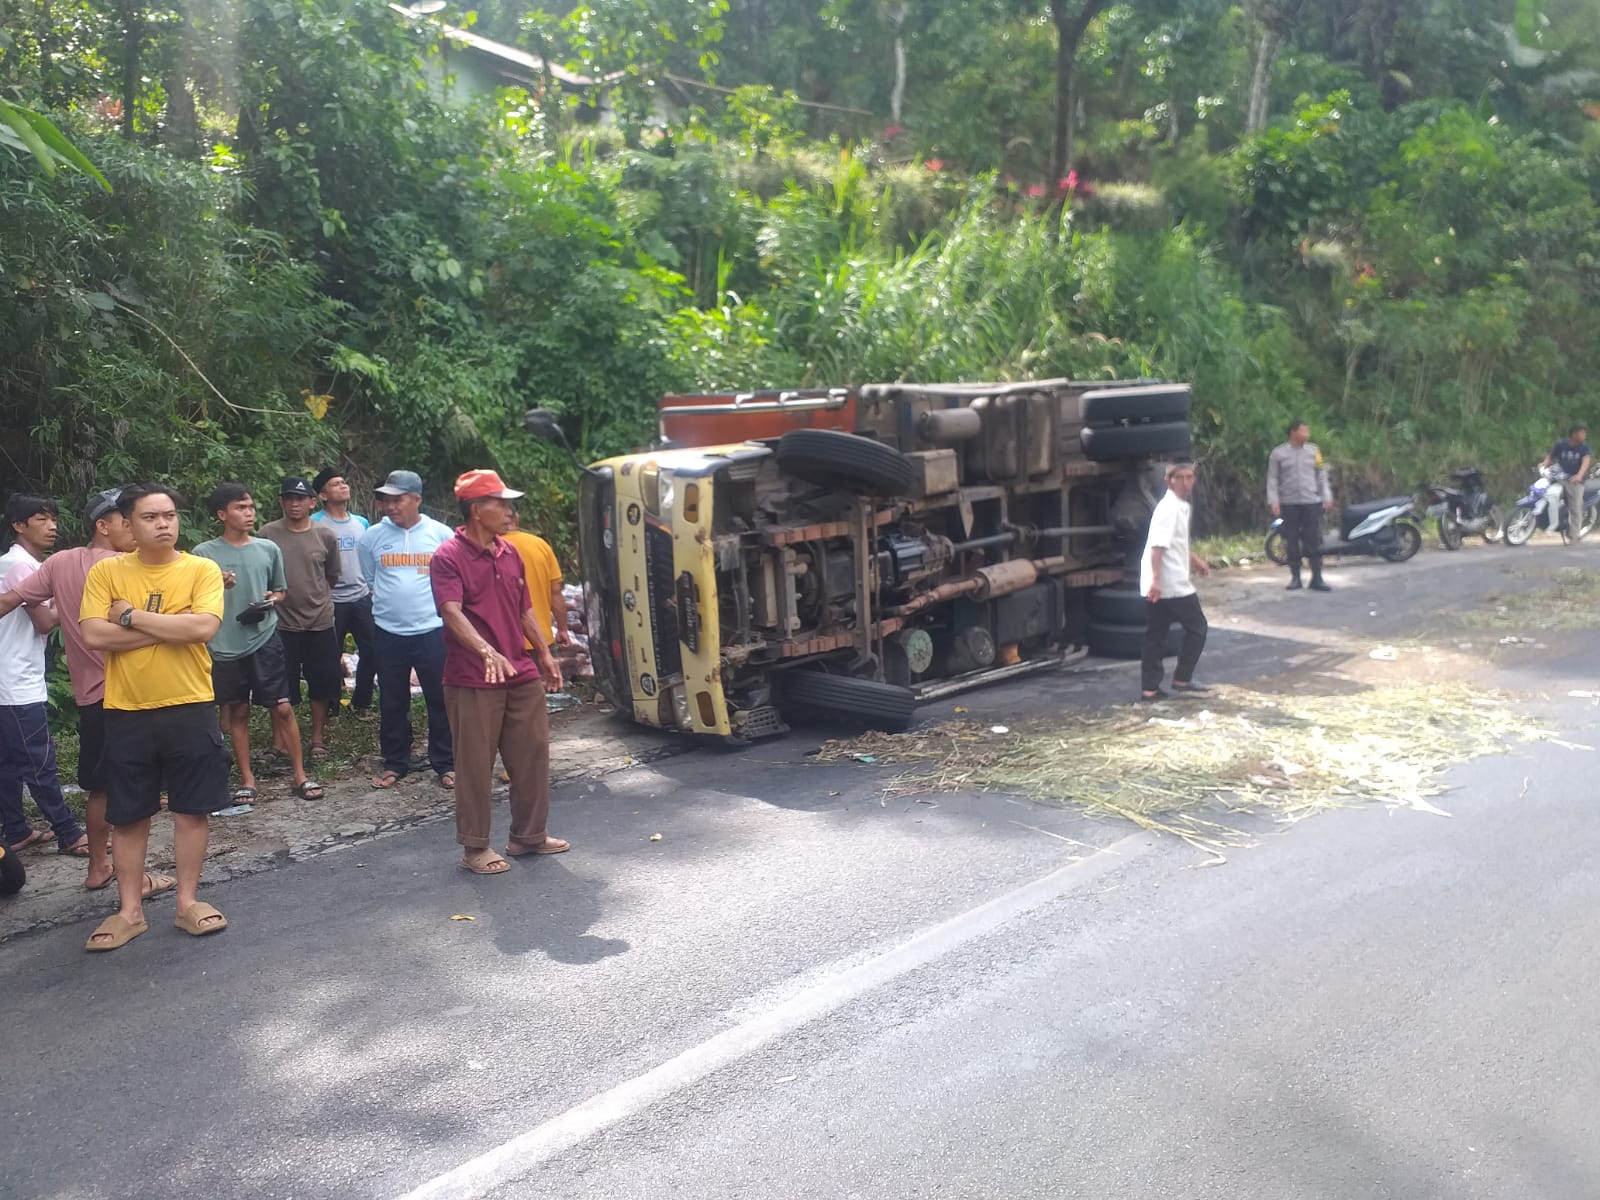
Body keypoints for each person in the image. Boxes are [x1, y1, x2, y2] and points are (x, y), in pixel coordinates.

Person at [79, 482, 231, 952]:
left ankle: (187, 903)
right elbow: (93, 635)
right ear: (127, 524)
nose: (164, 523)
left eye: (169, 515)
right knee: (128, 815)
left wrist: (129, 617)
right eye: (151, 517)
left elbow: (204, 627)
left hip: (189, 705)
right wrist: (171, 627)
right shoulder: (107, 573)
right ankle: (130, 911)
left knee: (192, 808)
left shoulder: (200, 569)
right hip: (126, 711)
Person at [0, 488, 173, 896]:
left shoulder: (60, 563)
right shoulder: (131, 566)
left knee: (101, 786)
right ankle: (136, 880)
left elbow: (8, 601)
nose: (135, 527)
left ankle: (99, 867)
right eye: (126, 520)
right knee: (137, 791)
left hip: (93, 697)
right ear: (104, 525)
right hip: (135, 693)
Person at [430, 470, 567, 874]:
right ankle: (475, 848)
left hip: (519, 669)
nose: (510, 511)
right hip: (473, 675)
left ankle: (529, 836)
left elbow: (524, 608)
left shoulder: (510, 552)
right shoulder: (448, 557)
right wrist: (486, 650)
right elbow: (451, 612)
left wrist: (543, 652)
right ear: (476, 511)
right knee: (474, 764)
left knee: (533, 755)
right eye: (501, 503)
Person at [194, 484, 324, 806]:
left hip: (265, 638)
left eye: (251, 507)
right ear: (222, 514)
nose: (249, 513)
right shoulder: (202, 555)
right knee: (237, 711)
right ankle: (248, 780)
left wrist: (272, 599)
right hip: (224, 643)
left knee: (282, 707)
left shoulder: (268, 549)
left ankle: (300, 774)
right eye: (241, 508)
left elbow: (280, 590)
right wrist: (215, 582)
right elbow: (192, 600)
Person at [0, 494, 89, 857]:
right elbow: (45, 620)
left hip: (9, 675)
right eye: (41, 519)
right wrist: (65, 599)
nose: (52, 526)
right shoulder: (22, 567)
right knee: (39, 759)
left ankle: (16, 829)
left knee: (9, 761)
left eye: (53, 518)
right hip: (17, 680)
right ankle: (68, 832)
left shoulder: (11, 562)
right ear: (19, 526)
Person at [358, 470, 454, 790]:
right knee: (392, 699)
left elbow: (453, 581)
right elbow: (370, 578)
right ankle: (395, 762)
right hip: (388, 632)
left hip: (433, 630)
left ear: (417, 500)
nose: (389, 506)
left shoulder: (441, 535)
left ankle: (446, 762)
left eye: (397, 499)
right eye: (386, 499)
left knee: (440, 698)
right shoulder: (372, 537)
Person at [260, 477, 342, 762]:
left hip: (320, 620)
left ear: (311, 502)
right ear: (282, 502)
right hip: (280, 622)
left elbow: (331, 575)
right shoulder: (267, 534)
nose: (294, 504)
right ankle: (280, 741)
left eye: (300, 499)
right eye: (288, 498)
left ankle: (317, 738)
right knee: (282, 685)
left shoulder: (325, 535)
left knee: (321, 683)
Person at [1139, 462, 1212, 703]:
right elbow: (1157, 546)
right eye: (1179, 477)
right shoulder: (1168, 508)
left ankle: (1150, 689)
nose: (1185, 482)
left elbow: (1174, 542)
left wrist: (1195, 560)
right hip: (1169, 582)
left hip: (1165, 579)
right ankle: (1182, 678)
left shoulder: (1181, 506)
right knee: (1197, 627)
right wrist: (1157, 580)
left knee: (1156, 635)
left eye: (1189, 477)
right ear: (1168, 481)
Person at [311, 467, 377, 716]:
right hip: (331, 599)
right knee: (330, 655)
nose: (343, 486)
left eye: (344, 482)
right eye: (336, 484)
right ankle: (332, 704)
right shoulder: (315, 523)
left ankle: (362, 702)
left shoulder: (361, 523)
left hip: (361, 597)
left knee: (371, 650)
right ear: (323, 495)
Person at [1266, 420, 1335, 592]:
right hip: (1289, 503)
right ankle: (1295, 577)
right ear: (1293, 432)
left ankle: (1317, 577)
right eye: (1304, 431)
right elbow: (1273, 478)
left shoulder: (1314, 451)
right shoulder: (1278, 453)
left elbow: (1321, 475)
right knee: (1291, 540)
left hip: (1310, 501)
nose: (1307, 434)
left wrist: (1326, 495)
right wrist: (1273, 500)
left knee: (1313, 540)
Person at [504, 510, 570, 650]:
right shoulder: (540, 545)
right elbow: (555, 592)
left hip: (503, 643)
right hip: (540, 639)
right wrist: (562, 628)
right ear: (517, 518)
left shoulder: (488, 547)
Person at [1539, 424, 1592, 541]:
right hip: (1559, 477)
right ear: (1574, 434)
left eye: (1584, 433)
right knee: (1542, 492)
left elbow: (1586, 462)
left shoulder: (1584, 448)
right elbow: (1551, 457)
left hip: (1574, 481)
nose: (1584, 435)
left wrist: (1579, 475)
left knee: (1575, 508)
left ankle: (1574, 535)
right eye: (1582, 433)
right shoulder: (1561, 445)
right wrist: (1544, 464)